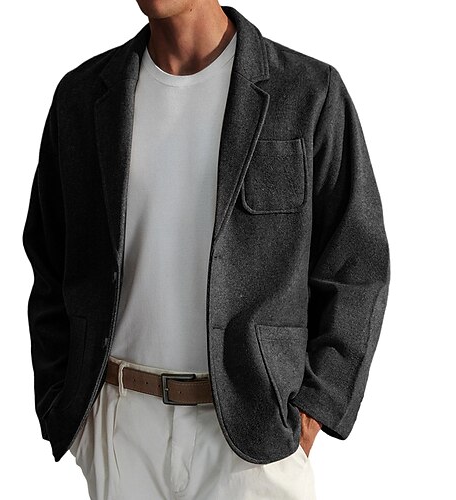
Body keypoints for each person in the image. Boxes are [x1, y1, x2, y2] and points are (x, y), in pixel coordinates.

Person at [22, 2, 390, 499]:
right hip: (121, 428)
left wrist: (316, 407)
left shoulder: (307, 92)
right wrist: (63, 406)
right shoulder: (82, 97)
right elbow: (49, 258)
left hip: (254, 438)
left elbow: (356, 263)